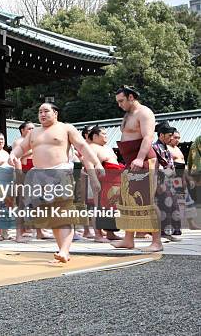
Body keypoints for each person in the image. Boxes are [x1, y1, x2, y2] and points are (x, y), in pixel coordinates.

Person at [9, 103, 103, 264]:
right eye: (40, 112)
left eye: (46, 111)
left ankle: (64, 250)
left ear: (55, 113)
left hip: (60, 173)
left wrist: (96, 163)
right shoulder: (34, 133)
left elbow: (82, 146)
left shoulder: (66, 128)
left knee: (63, 212)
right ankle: (62, 251)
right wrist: (13, 155)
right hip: (39, 176)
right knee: (52, 216)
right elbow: (22, 147)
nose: (42, 114)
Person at [111, 86, 163, 252]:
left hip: (145, 160)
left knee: (147, 200)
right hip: (130, 160)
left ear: (131, 97)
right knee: (128, 198)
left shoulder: (144, 112)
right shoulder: (127, 114)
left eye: (122, 101)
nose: (120, 105)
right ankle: (128, 239)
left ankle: (157, 242)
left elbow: (148, 136)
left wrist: (140, 158)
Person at [12, 121, 51, 240]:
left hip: (37, 172)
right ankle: (19, 233)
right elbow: (16, 158)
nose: (32, 130)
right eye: (29, 128)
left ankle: (39, 231)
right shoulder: (18, 142)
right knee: (22, 204)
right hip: (24, 172)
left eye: (33, 128)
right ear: (22, 130)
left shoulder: (35, 141)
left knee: (38, 202)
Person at [88, 126, 124, 242]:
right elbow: (88, 164)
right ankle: (98, 235)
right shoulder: (92, 147)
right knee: (98, 206)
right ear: (95, 136)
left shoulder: (107, 147)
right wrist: (94, 180)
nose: (106, 136)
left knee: (112, 207)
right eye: (103, 133)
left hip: (114, 182)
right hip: (101, 181)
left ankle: (110, 232)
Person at [152, 124, 182, 239]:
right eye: (169, 135)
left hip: (170, 180)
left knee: (173, 205)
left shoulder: (166, 148)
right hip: (161, 180)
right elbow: (156, 166)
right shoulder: (155, 147)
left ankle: (171, 232)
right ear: (161, 135)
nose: (171, 138)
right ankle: (163, 233)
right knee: (165, 206)